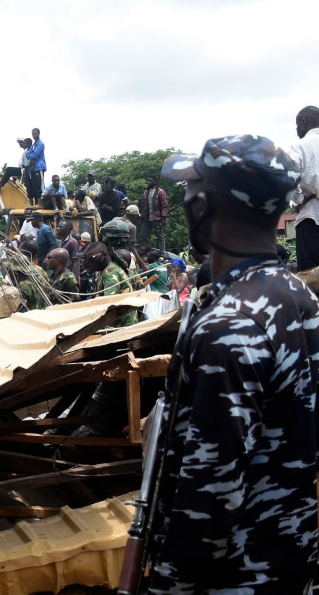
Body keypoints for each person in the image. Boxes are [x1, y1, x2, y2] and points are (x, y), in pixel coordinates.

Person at [141, 135, 317, 593]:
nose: (184, 201)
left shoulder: (230, 326)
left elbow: (211, 495)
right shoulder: (298, 297)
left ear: (206, 207)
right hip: (291, 561)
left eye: (190, 191)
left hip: (232, 578)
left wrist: (165, 586)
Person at [290, 105, 319, 270]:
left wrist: (299, 200)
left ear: (304, 121)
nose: (296, 129)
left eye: (297, 125)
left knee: (311, 278)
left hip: (311, 218)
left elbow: (289, 176)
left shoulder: (299, 147)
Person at [140, 175, 170, 249]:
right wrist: (142, 217)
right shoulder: (146, 192)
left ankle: (162, 253)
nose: (148, 182)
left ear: (155, 182)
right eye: (148, 181)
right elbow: (143, 206)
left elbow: (164, 205)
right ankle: (141, 250)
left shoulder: (160, 192)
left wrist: (163, 218)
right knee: (143, 236)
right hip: (147, 218)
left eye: (150, 181)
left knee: (160, 237)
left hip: (157, 218)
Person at [24, 127, 47, 205]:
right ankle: (36, 204)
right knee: (34, 187)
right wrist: (31, 155)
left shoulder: (40, 144)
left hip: (39, 167)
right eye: (32, 134)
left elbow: (34, 155)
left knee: (40, 187)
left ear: (38, 134)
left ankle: (41, 203)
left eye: (35, 134)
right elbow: (27, 154)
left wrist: (30, 155)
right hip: (33, 169)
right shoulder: (34, 144)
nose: (34, 135)